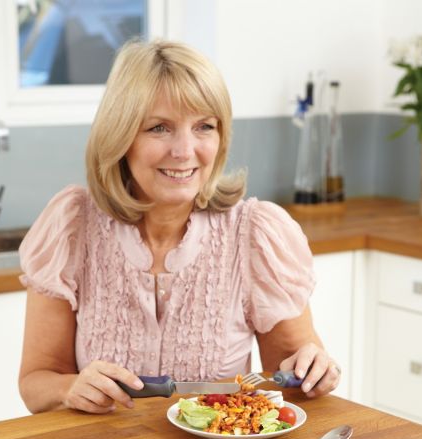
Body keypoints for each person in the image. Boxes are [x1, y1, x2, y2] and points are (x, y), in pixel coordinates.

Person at [18, 39, 341, 415]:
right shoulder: (72, 227)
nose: (185, 150)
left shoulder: (254, 234)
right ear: (120, 137)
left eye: (204, 126)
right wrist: (69, 387)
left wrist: (314, 371)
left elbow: (290, 383)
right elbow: (36, 383)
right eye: (159, 128)